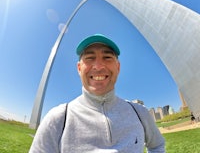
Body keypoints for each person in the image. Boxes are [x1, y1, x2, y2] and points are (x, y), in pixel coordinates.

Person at [29, 33, 165, 153]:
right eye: (89, 58)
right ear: (79, 68)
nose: (99, 66)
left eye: (107, 57)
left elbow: (157, 145)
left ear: (118, 67)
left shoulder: (140, 113)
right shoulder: (57, 119)